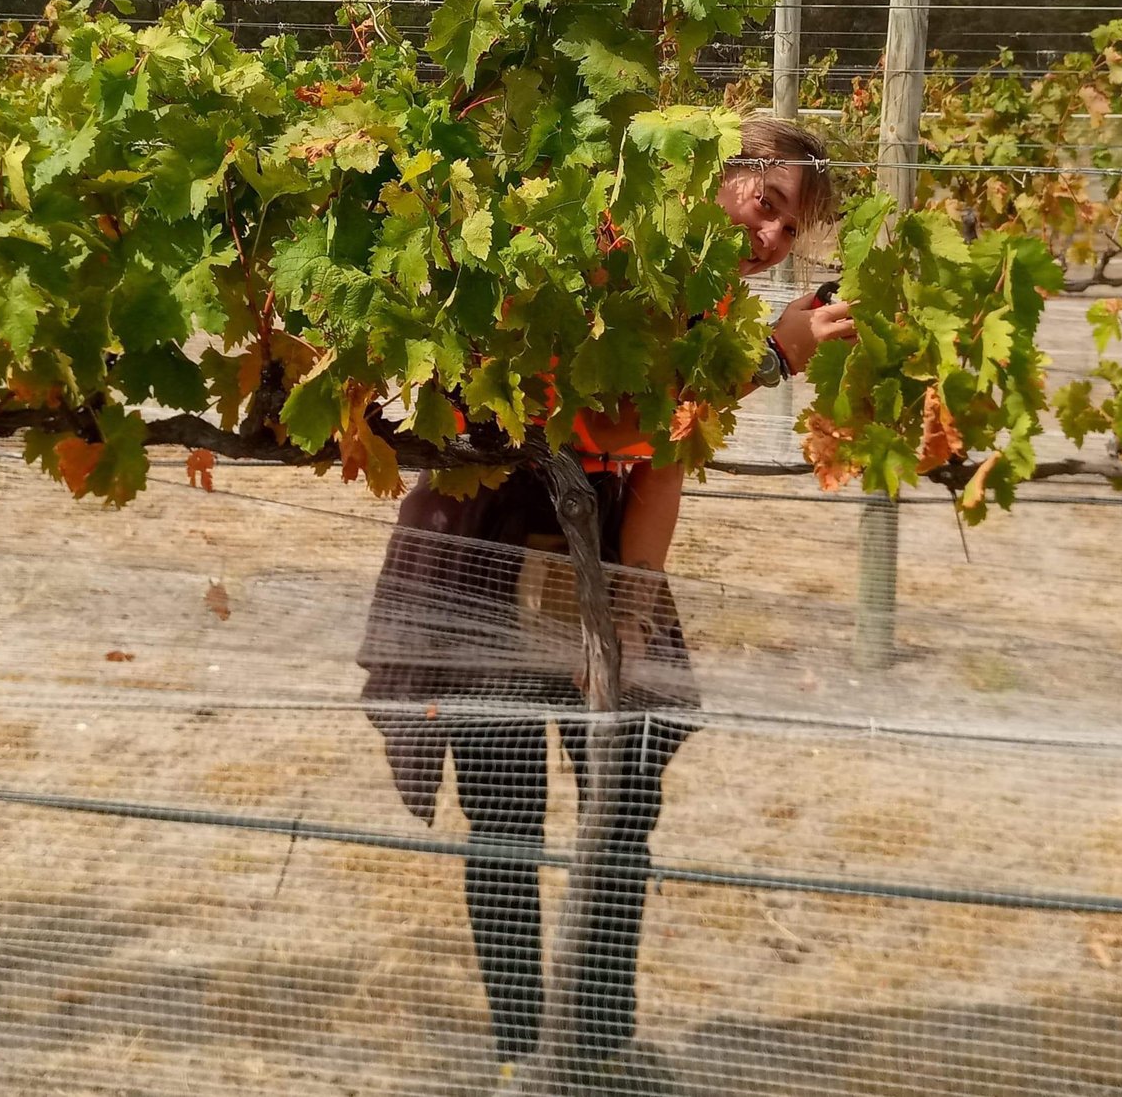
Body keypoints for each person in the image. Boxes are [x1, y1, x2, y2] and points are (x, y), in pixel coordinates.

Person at [357, 117, 854, 1071]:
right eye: (770, 203)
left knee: (623, 799)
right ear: (719, 174)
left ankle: (597, 1047)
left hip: (608, 540)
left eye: (791, 230)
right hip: (489, 526)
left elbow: (660, 457)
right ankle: (521, 1053)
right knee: (504, 809)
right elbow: (606, 410)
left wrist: (628, 607)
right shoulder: (611, 239)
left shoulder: (704, 298)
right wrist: (769, 361)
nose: (775, 237)